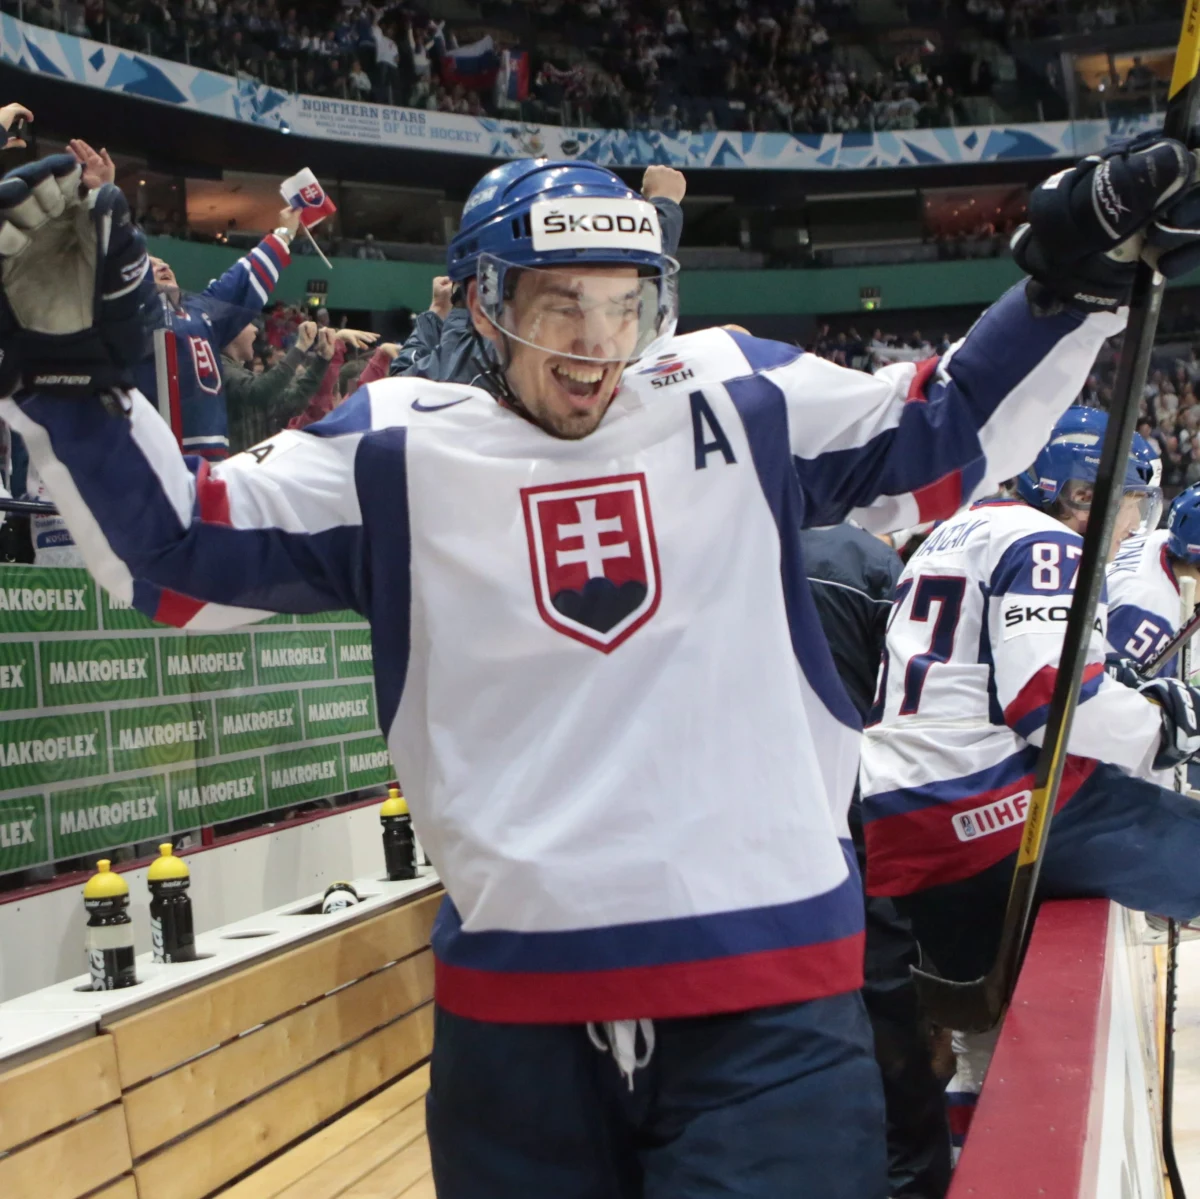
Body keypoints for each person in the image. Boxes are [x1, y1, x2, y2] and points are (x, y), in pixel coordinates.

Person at [2, 141, 1199, 1198]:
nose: (592, 344)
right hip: (516, 1030)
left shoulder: (739, 395)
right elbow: (171, 553)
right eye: (555, 303)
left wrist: (1073, 281)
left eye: (622, 303)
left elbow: (946, 430)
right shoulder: (391, 453)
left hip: (766, 999)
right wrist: (67, 383)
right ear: (480, 302)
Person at [859, 411, 1200, 1143]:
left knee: (986, 1036)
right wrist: (1167, 724)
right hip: (983, 808)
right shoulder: (1048, 541)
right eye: (1131, 504)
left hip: (903, 827)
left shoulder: (947, 534)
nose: (1132, 523)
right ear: (1085, 495)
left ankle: (969, 1155)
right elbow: (1050, 706)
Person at [802, 522, 952, 1199]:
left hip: (749, 870)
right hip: (862, 850)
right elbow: (909, 722)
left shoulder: (721, 545)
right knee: (900, 1079)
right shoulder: (867, 565)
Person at [390, 164, 688, 386]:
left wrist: (437, 312)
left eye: (622, 308)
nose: (597, 346)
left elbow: (404, 377)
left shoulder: (457, 364)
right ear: (483, 310)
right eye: (565, 309)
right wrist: (665, 203)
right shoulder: (458, 387)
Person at [220, 318, 332, 452]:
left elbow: (293, 401)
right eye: (248, 323)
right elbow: (259, 391)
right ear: (232, 331)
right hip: (229, 470)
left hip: (251, 468)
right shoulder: (218, 368)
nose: (255, 329)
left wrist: (322, 360)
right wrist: (300, 348)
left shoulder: (240, 372)